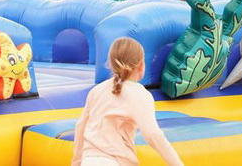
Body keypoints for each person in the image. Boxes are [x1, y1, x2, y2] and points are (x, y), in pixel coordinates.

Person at [72, 37, 183, 166]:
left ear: (111, 64)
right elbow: (152, 134)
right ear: (141, 65)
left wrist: (76, 162)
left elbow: (80, 127)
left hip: (88, 160)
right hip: (115, 161)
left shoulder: (97, 90)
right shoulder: (139, 94)